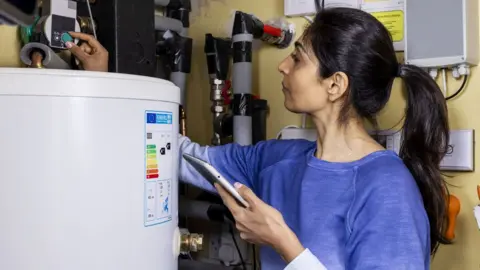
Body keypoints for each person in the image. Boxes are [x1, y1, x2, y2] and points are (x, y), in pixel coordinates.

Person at [69, 7, 450, 270]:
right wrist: (107, 85)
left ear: (335, 85)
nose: (283, 65)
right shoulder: (277, 159)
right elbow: (179, 155)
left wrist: (284, 243)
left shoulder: (386, 188)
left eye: (298, 58)